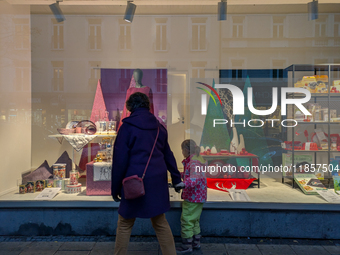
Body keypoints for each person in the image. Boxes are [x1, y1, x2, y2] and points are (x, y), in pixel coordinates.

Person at [111, 92, 185, 255]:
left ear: (130, 107)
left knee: (124, 223)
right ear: (148, 106)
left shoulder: (127, 128)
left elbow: (119, 160)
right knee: (160, 222)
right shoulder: (160, 128)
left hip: (133, 182)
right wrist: (176, 178)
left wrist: (115, 188)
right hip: (156, 182)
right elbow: (168, 155)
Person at [176, 139, 208, 254]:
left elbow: (194, 179)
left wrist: (182, 184)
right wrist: (179, 175)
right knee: (195, 221)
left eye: (182, 150)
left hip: (192, 197)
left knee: (187, 220)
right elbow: (192, 175)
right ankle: (196, 243)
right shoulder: (197, 160)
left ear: (185, 150)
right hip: (199, 196)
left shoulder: (193, 162)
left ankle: (187, 245)